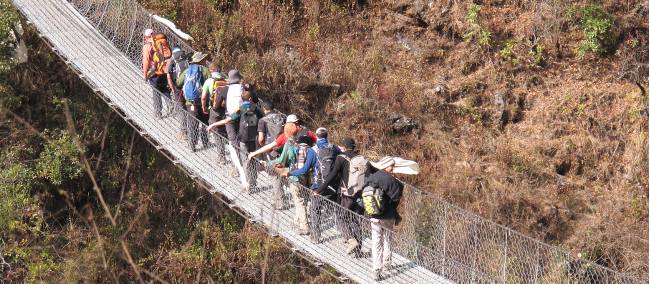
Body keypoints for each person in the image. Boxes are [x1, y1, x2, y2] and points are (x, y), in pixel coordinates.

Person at [364, 156, 419, 281]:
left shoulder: (373, 176)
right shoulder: (394, 182)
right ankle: (387, 263)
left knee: (376, 241)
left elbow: (366, 191)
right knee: (388, 238)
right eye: (392, 166)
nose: (393, 168)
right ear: (387, 166)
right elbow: (396, 199)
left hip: (374, 215)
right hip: (388, 215)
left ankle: (376, 269)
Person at [285, 127, 341, 243]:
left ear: (316, 136)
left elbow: (304, 169)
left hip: (318, 186)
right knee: (338, 210)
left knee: (315, 210)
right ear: (327, 135)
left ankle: (316, 236)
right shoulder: (334, 148)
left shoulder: (313, 150)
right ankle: (346, 237)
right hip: (332, 185)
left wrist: (290, 173)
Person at [317, 137, 368, 256]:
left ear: (343, 147)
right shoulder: (362, 159)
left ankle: (350, 240)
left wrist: (319, 190)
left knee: (341, 217)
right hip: (360, 195)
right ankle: (358, 249)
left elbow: (332, 176)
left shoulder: (341, 158)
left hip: (347, 195)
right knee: (355, 220)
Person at [206, 91, 263, 190]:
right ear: (250, 99)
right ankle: (254, 182)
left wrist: (213, 125)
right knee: (253, 159)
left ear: (242, 99)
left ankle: (248, 184)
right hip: (254, 138)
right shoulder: (256, 108)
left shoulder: (240, 109)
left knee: (245, 161)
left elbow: (227, 120)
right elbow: (263, 119)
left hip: (243, 139)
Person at [267, 126, 310, 235]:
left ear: (286, 132)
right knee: (302, 199)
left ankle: (304, 227)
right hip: (306, 176)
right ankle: (297, 220)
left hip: (294, 176)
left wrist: (269, 164)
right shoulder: (303, 143)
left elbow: (281, 160)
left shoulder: (289, 143)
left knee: (299, 201)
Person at [176, 52, 211, 152]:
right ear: (201, 61)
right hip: (203, 102)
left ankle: (192, 145)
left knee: (192, 124)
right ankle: (205, 142)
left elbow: (178, 82)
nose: (205, 61)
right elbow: (210, 83)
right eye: (204, 60)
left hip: (190, 103)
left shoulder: (187, 71)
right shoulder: (205, 70)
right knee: (204, 122)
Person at [247, 114, 317, 160]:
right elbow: (319, 141)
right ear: (297, 122)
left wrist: (254, 153)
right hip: (309, 162)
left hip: (294, 166)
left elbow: (269, 146)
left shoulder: (285, 136)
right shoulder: (307, 132)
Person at [257, 102, 286, 209]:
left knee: (274, 175)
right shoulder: (282, 117)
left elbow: (260, 138)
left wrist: (264, 146)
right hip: (283, 148)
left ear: (264, 109)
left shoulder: (262, 120)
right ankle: (279, 195)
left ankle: (279, 203)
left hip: (270, 149)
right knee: (281, 172)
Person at [201, 62, 228, 162]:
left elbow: (203, 97)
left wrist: (204, 108)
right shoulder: (226, 80)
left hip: (214, 110)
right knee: (226, 131)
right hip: (226, 110)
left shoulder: (209, 81)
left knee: (216, 131)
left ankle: (222, 157)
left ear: (210, 70)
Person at [143, 30, 172, 118]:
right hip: (164, 69)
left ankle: (158, 113)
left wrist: (145, 74)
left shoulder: (148, 46)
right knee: (163, 88)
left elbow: (146, 61)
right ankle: (170, 103)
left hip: (154, 71)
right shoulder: (162, 42)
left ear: (146, 37)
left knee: (156, 91)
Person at [165, 47, 189, 139]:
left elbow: (168, 77)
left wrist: (173, 89)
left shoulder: (171, 61)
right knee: (188, 108)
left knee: (181, 108)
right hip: (187, 86)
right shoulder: (186, 58)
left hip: (178, 88)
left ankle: (184, 132)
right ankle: (192, 129)